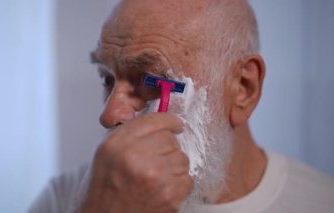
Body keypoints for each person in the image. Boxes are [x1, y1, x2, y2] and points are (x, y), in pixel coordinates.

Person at [29, 0, 334, 212]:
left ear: (243, 89)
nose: (109, 115)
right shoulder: (69, 197)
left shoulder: (321, 203)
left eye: (150, 81)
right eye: (107, 78)